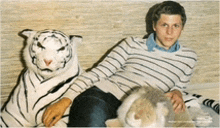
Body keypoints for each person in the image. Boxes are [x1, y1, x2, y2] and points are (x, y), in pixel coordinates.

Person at [43, 1, 197, 127]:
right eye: (164, 25)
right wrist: (65, 100)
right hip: (105, 97)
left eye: (175, 26)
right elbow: (98, 73)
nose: (170, 32)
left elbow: (179, 88)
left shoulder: (189, 58)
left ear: (182, 28)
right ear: (154, 25)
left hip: (140, 110)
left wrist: (178, 92)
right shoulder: (132, 44)